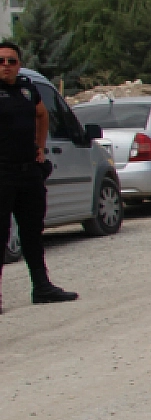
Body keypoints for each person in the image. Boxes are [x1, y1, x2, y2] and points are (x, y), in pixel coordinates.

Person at [0, 41, 76, 312]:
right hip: (3, 173)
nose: (6, 65)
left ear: (19, 64)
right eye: (1, 61)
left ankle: (42, 287)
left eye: (12, 61)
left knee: (32, 233)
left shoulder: (26, 88)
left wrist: (40, 148)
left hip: (28, 172)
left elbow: (42, 114)